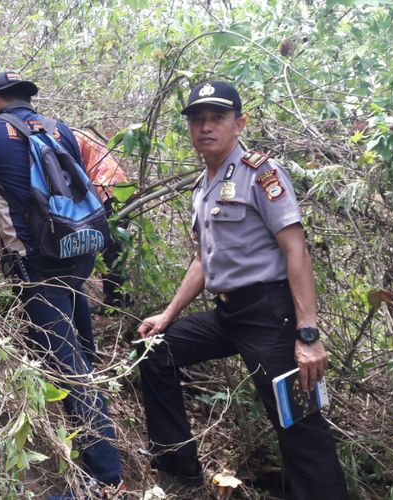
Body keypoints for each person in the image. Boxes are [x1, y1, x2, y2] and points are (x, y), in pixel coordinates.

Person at [137, 81, 349, 499]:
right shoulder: (203, 186)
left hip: (271, 314)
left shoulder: (261, 174)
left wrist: (308, 333)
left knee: (298, 422)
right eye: (198, 119)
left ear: (240, 123)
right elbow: (202, 261)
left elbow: (296, 251)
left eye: (217, 117)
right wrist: (168, 314)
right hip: (227, 314)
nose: (206, 127)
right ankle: (180, 475)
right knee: (155, 351)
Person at [0, 71, 124, 497]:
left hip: (34, 263)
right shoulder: (59, 129)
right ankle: (98, 433)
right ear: (28, 99)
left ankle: (105, 477)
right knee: (79, 350)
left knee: (68, 365)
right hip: (77, 250)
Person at [72, 129, 133, 310]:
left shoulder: (72, 137)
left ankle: (115, 302)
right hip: (120, 187)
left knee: (111, 248)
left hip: (107, 189)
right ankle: (120, 297)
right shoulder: (80, 135)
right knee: (115, 248)